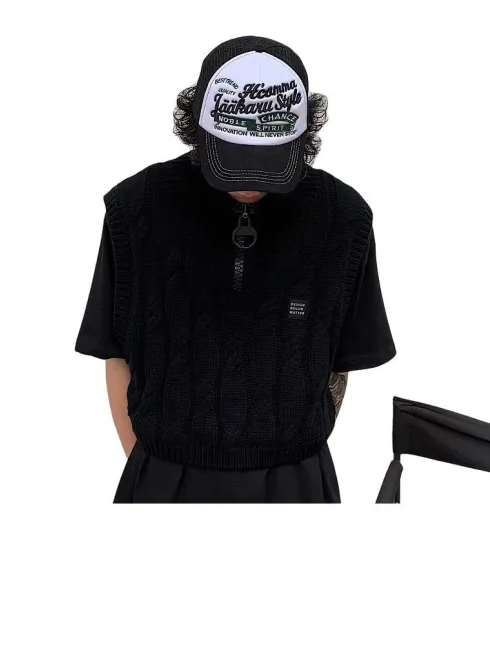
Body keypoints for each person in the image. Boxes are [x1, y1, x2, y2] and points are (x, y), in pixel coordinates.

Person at [75, 35, 396, 502]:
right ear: (198, 127)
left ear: (301, 136)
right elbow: (116, 349)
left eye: (267, 162)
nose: (249, 182)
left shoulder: (344, 219)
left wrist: (294, 453)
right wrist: (149, 468)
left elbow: (341, 359)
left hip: (297, 481)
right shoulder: (135, 208)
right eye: (234, 160)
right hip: (161, 476)